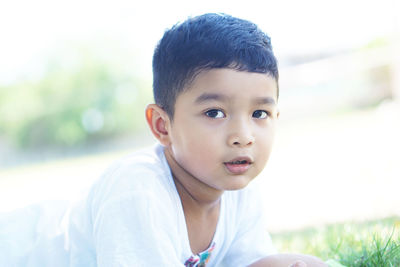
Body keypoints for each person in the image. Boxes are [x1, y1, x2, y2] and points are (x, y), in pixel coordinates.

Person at [0, 13, 329, 267]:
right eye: (215, 113)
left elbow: (250, 263)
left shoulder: (238, 192)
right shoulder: (138, 191)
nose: (243, 136)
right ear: (162, 125)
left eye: (259, 114)